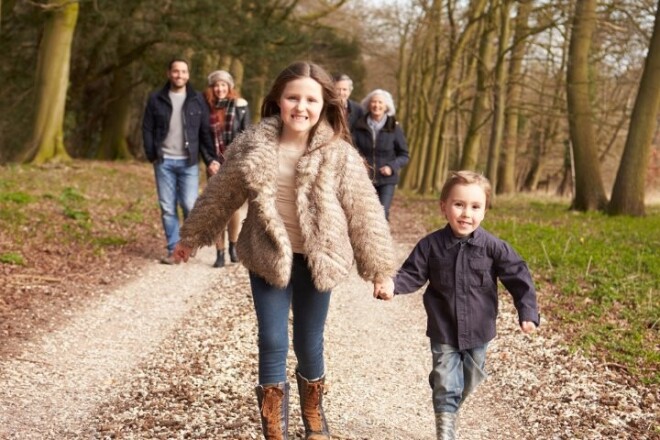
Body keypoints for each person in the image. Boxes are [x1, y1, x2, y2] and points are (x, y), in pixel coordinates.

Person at [172, 61, 396, 440]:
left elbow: (365, 212)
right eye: (293, 97)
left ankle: (313, 412)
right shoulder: (253, 145)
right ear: (278, 100)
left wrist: (380, 271)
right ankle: (273, 427)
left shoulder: (338, 154)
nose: (301, 107)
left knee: (309, 341)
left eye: (311, 99)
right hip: (267, 254)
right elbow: (222, 193)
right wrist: (191, 237)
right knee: (272, 339)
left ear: (324, 105)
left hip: (317, 259)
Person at [376, 170, 540, 440]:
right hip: (444, 328)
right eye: (459, 204)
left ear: (485, 211)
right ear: (444, 207)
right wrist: (392, 286)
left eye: (475, 207)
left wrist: (528, 312)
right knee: (447, 381)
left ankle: (446, 391)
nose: (466, 214)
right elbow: (412, 274)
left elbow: (518, 275)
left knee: (469, 378)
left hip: (479, 329)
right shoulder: (431, 246)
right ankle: (445, 428)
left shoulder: (494, 248)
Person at [142, 58, 219, 264]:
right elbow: (147, 128)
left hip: (189, 162)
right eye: (176, 71)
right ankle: (173, 250)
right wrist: (152, 154)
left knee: (189, 204)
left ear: (188, 75)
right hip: (164, 161)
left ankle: (188, 243)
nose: (180, 75)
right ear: (169, 73)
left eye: (183, 72)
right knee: (168, 207)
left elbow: (204, 133)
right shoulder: (156, 98)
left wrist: (210, 158)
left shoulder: (197, 100)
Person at [204, 69, 251, 268]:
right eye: (216, 85)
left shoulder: (240, 107)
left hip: (233, 163)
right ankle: (219, 252)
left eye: (223, 85)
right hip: (214, 165)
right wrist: (209, 161)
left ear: (229, 87)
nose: (220, 88)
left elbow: (245, 136)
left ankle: (233, 245)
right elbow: (202, 139)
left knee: (232, 210)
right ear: (212, 88)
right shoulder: (206, 108)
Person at [351, 88, 409, 221]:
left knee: (382, 213)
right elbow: (352, 150)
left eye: (380, 103)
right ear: (368, 104)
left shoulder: (394, 127)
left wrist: (391, 166)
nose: (376, 105)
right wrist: (359, 162)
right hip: (364, 178)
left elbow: (404, 155)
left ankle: (382, 241)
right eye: (373, 102)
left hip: (386, 180)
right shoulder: (359, 125)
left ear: (386, 106)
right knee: (365, 215)